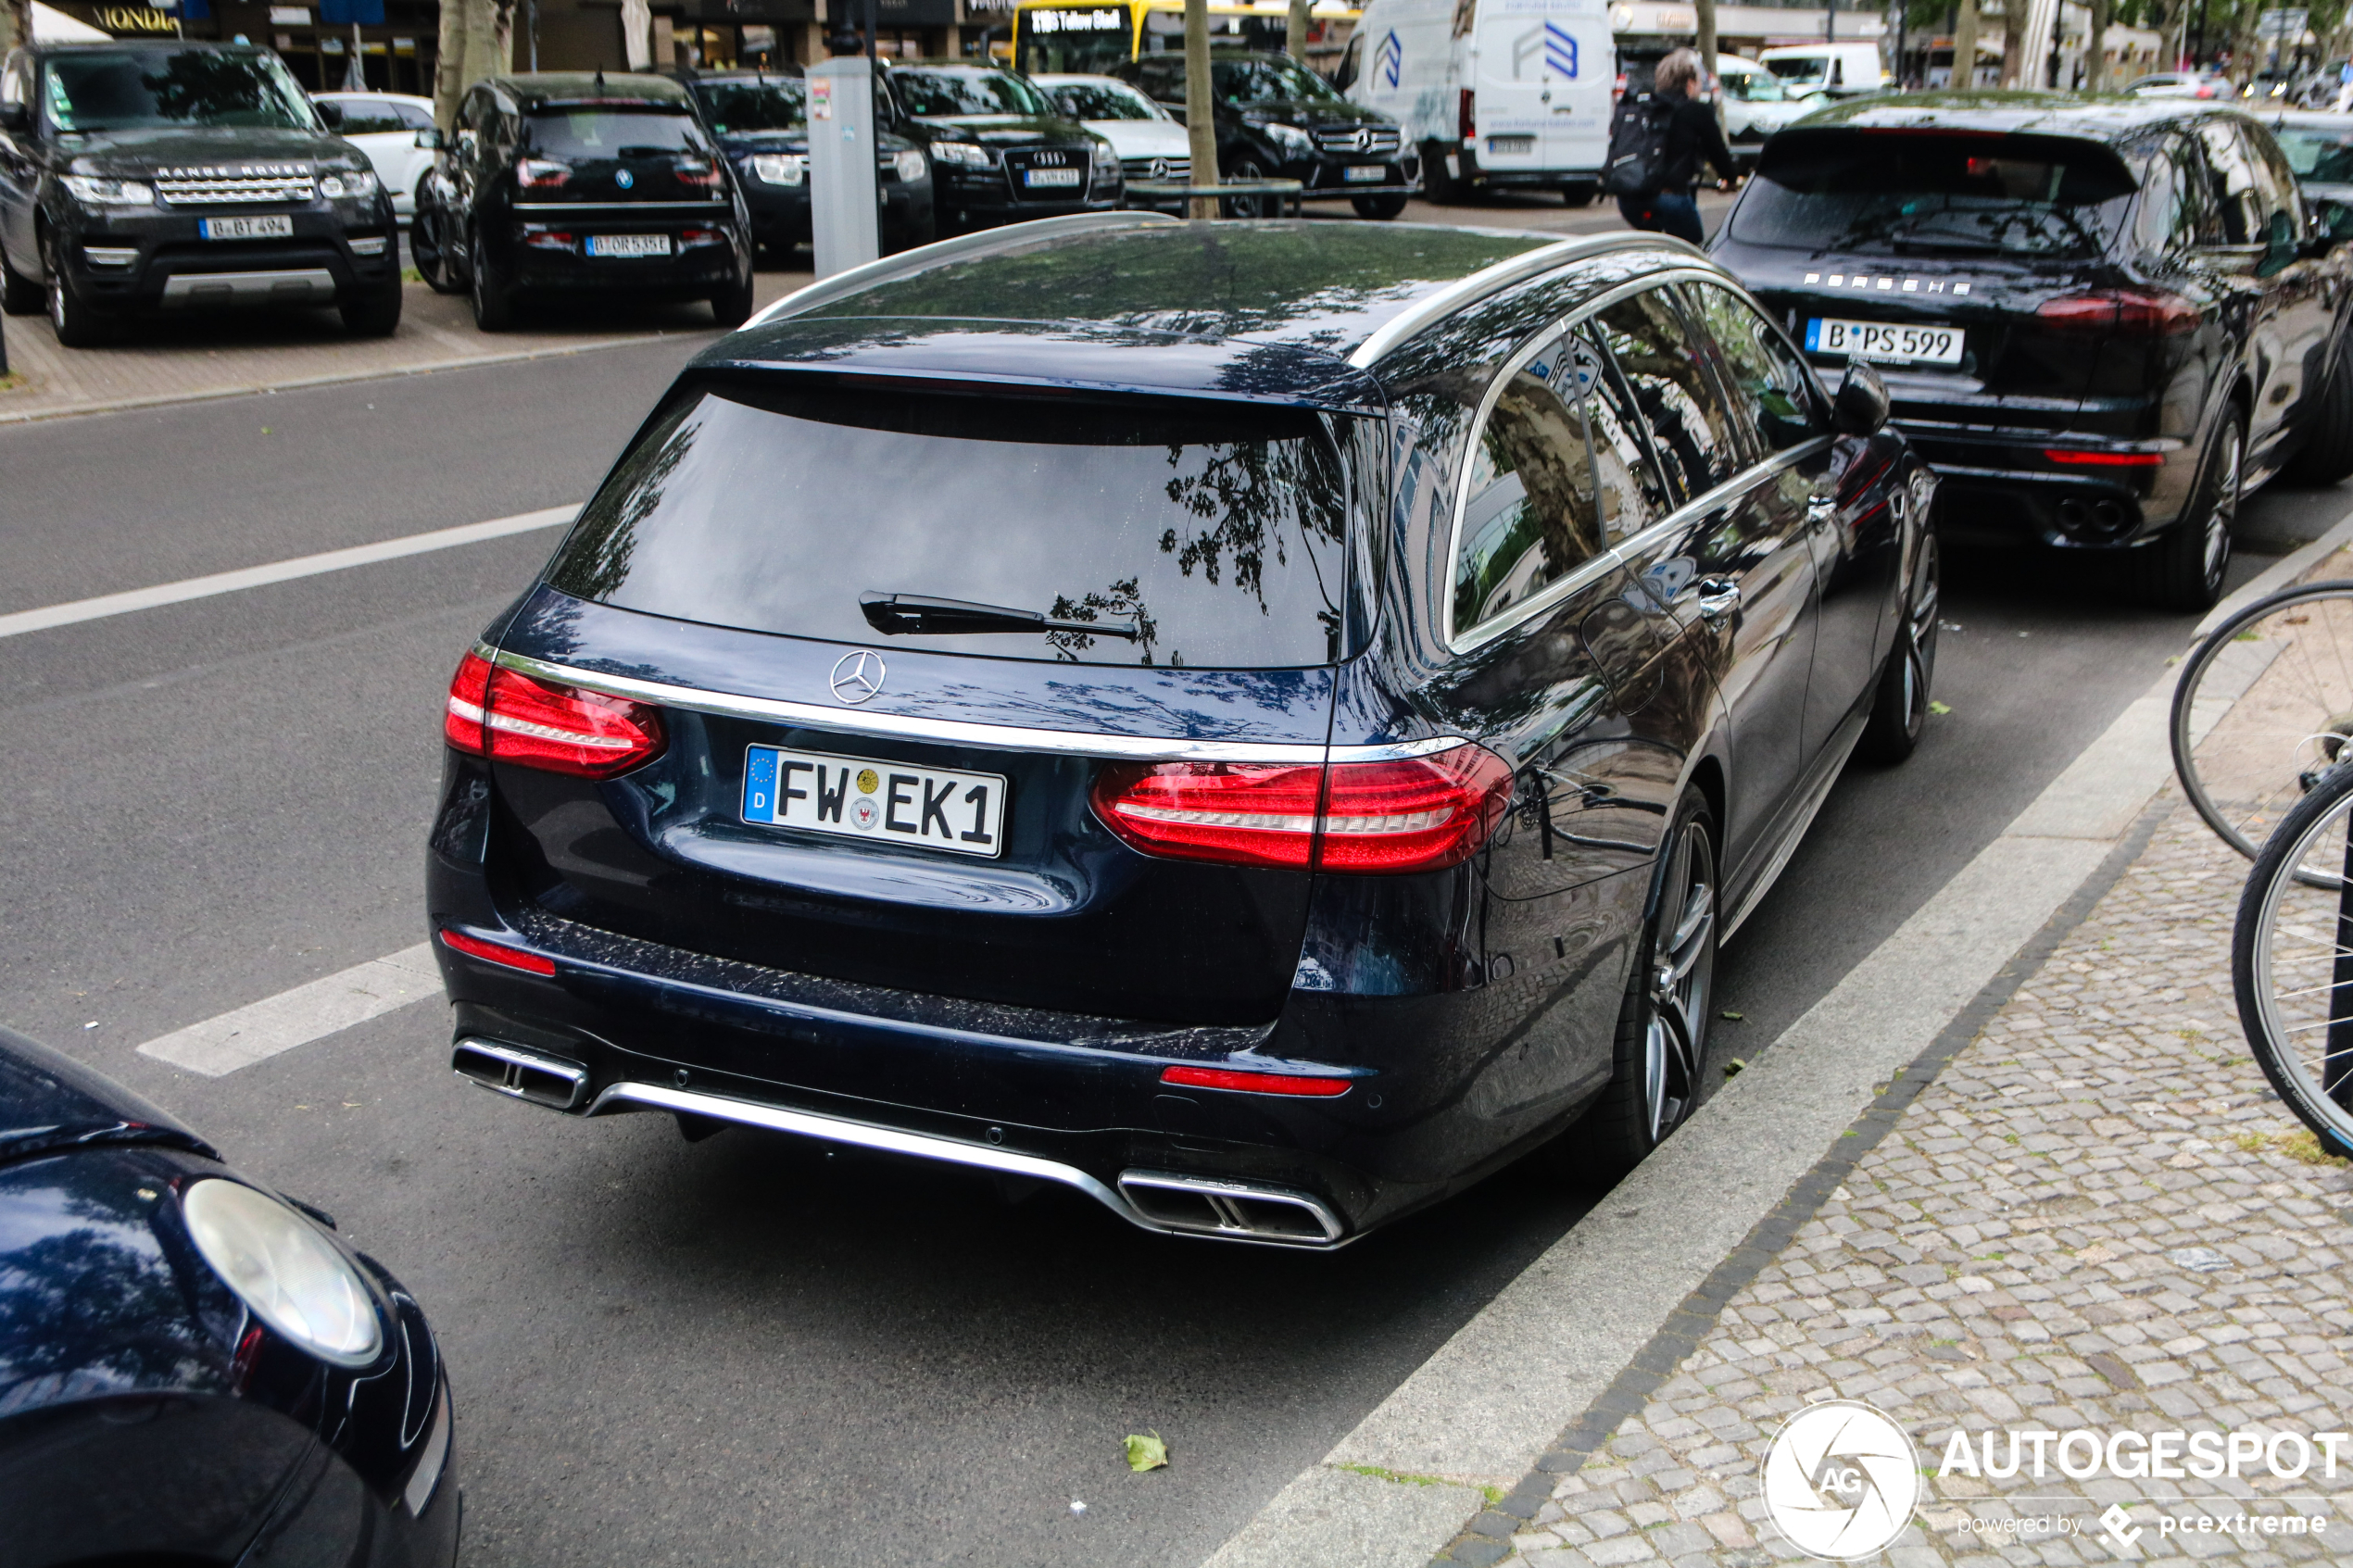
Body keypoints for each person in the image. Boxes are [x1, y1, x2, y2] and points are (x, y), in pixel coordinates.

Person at [1616, 47, 1741, 246]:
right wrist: (1731, 179)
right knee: (1692, 249)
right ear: (1690, 84)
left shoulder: (1643, 106)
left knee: (1653, 247)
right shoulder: (1696, 110)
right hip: (1670, 198)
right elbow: (1718, 153)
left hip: (1630, 199)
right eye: (1700, 82)